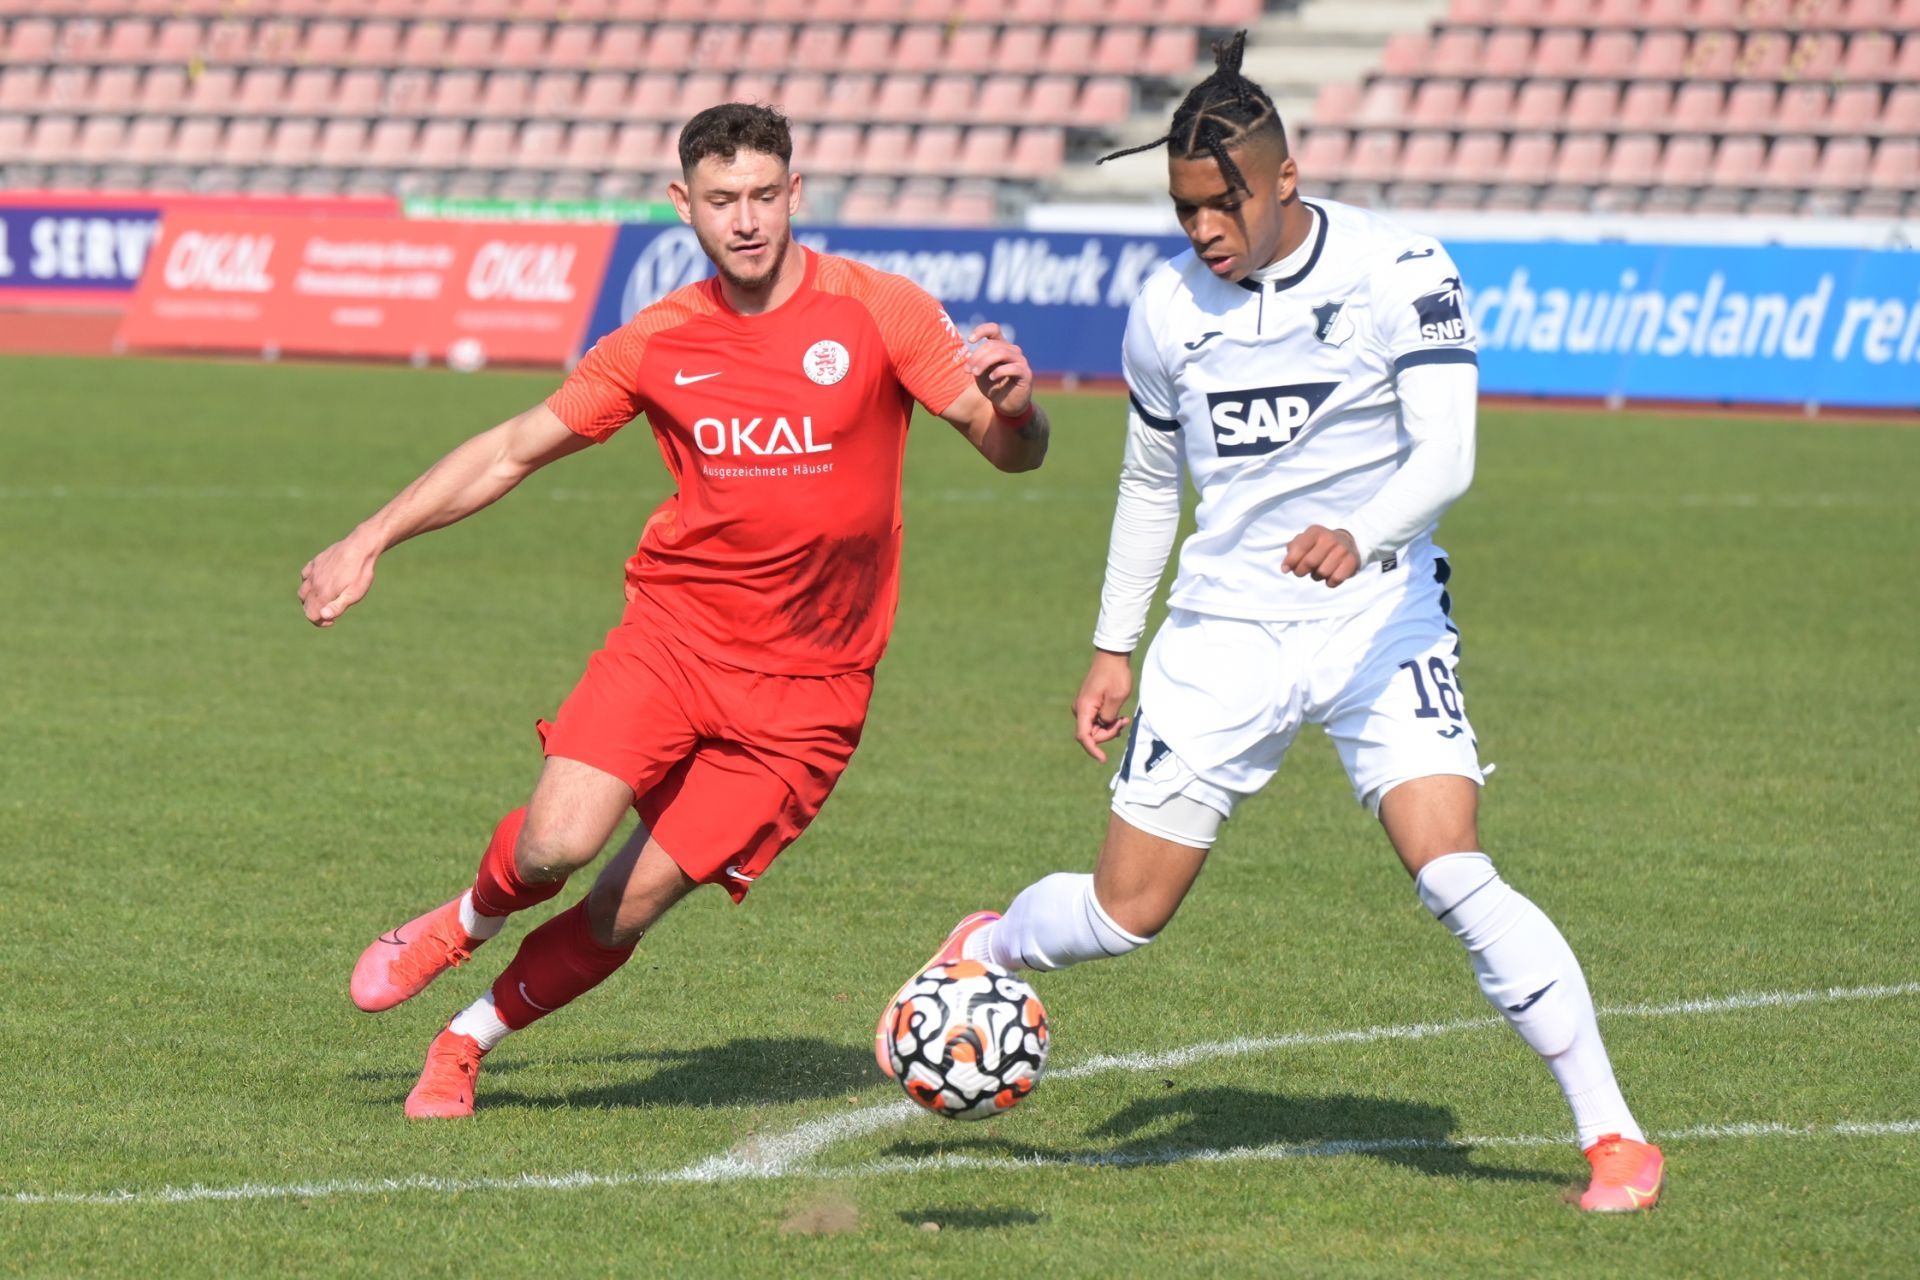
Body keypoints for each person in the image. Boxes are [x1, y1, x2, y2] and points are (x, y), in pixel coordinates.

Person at [878, 35, 1662, 1213]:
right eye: (1184, 209)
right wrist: (1112, 642)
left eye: (1221, 202)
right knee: (1122, 915)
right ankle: (988, 941)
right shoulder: (1165, 315)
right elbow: (1152, 485)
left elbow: (1447, 451)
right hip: (1223, 634)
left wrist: (1368, 528)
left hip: (1378, 615)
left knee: (1452, 867)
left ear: (1282, 177)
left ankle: (1614, 1135)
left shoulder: (1402, 267)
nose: (1203, 229)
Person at [301, 102, 1049, 1119]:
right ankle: (465, 917)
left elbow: (1012, 448)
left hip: (809, 695)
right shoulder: (660, 340)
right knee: (553, 846)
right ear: (683, 206)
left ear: (797, 194)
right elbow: (515, 447)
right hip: (675, 641)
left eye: (762, 196)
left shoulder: (883, 311)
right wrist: (372, 534)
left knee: (626, 903)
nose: (745, 220)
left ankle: (464, 1040)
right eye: (720, 200)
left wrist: (1016, 403)